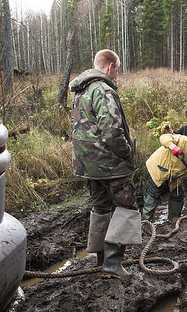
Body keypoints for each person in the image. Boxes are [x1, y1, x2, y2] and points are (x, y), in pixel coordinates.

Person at [69, 49, 141, 279]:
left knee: (100, 208)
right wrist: (127, 153)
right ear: (110, 67)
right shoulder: (103, 89)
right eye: (116, 70)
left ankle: (101, 258)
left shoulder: (81, 89)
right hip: (110, 165)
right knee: (127, 208)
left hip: (87, 165)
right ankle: (112, 264)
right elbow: (111, 132)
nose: (116, 74)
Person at [141, 134, 187, 221]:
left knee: (178, 196)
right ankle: (145, 221)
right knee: (154, 194)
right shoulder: (185, 142)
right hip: (158, 169)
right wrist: (172, 146)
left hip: (174, 176)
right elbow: (164, 137)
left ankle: (173, 219)